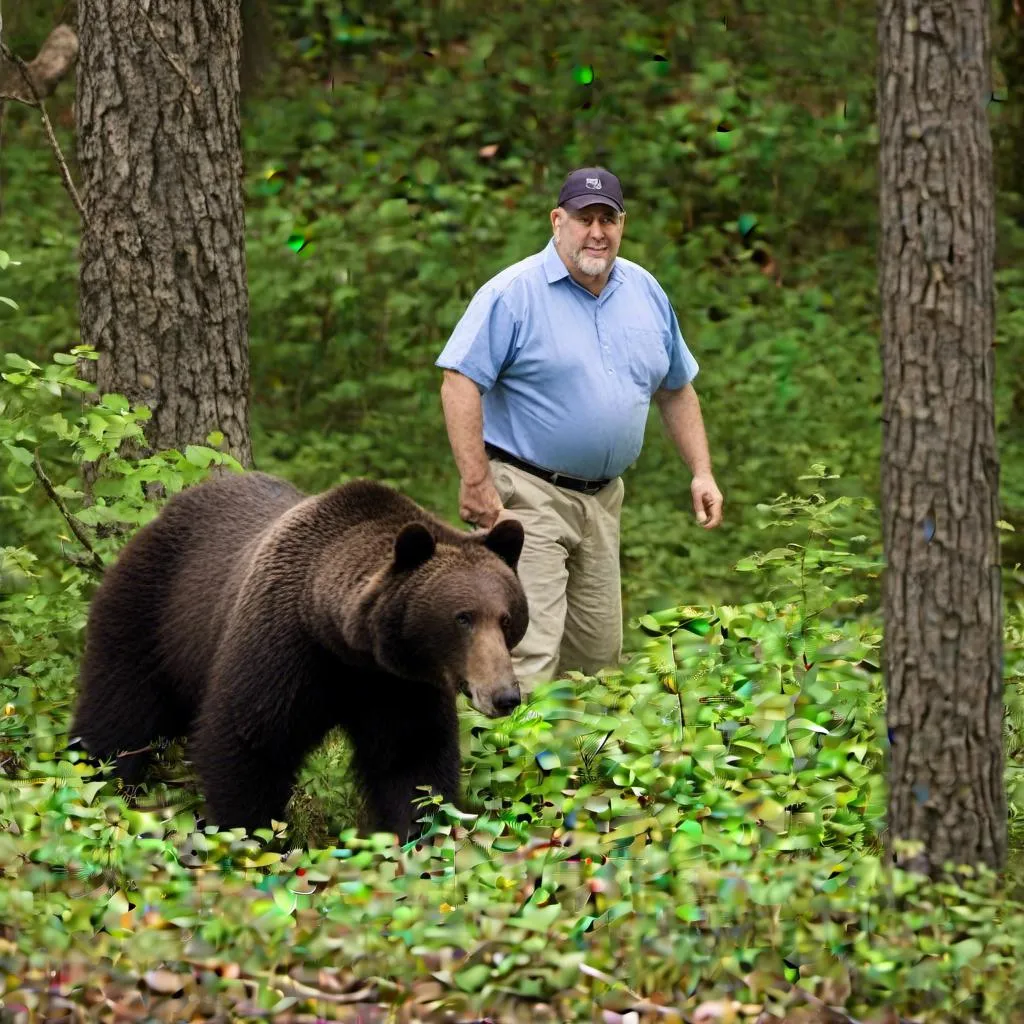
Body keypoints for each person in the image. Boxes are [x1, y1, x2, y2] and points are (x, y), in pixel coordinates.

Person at [435, 166, 723, 691]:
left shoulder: (645, 291)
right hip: (526, 496)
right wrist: (476, 481)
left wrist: (701, 472)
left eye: (607, 219)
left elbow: (676, 387)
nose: (596, 231)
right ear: (557, 221)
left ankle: (577, 769)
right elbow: (459, 382)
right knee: (530, 650)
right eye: (584, 218)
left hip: (603, 502)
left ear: (621, 225)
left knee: (597, 660)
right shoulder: (514, 293)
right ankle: (510, 767)